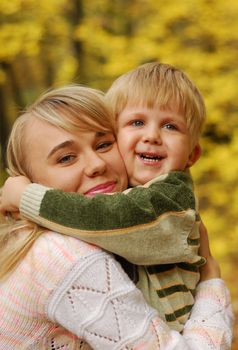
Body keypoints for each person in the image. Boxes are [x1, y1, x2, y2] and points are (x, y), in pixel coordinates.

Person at [0, 84, 233, 349]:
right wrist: (211, 282)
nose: (97, 164)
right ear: (29, 181)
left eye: (104, 144)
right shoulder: (68, 256)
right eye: (66, 158)